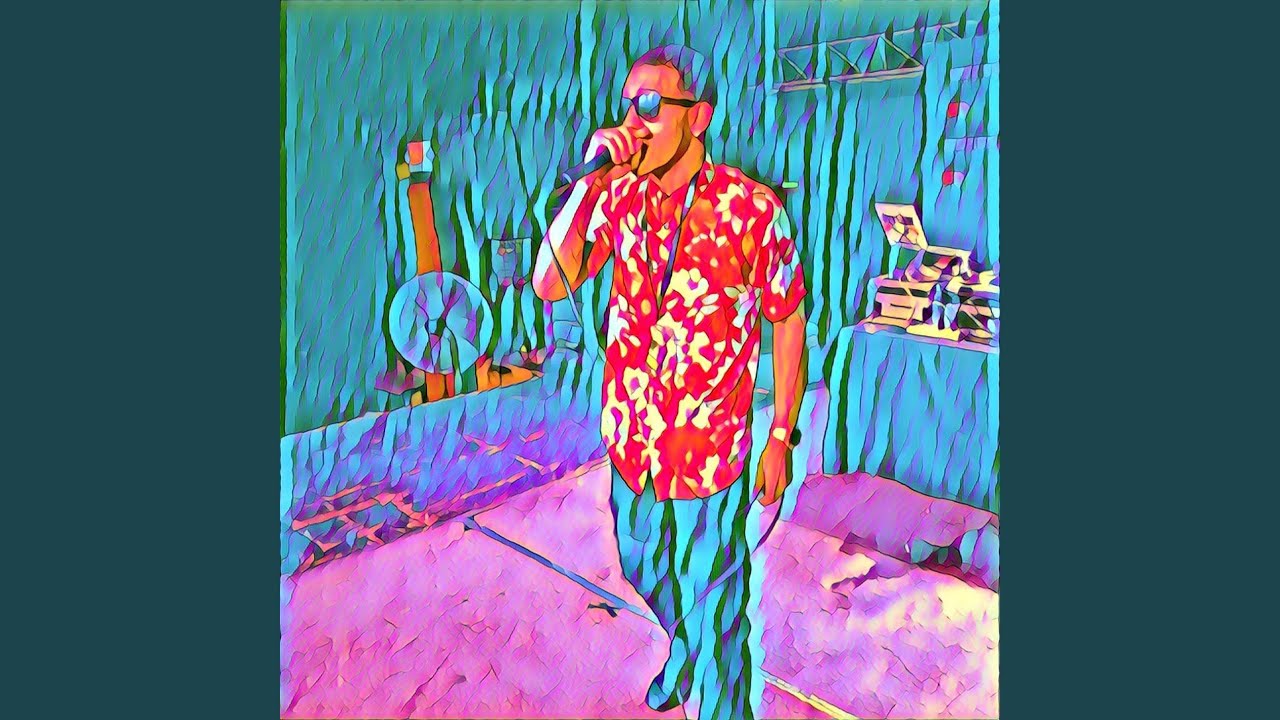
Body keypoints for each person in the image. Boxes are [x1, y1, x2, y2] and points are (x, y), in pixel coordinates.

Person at [532, 44, 809, 720]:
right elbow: (547, 282)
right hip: (633, 441)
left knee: (716, 607)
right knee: (642, 565)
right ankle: (682, 645)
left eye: (653, 105)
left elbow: (787, 317)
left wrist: (780, 434)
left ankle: (719, 695)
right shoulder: (617, 197)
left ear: (699, 117)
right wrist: (588, 185)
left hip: (708, 449)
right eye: (629, 104)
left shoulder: (751, 209)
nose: (635, 120)